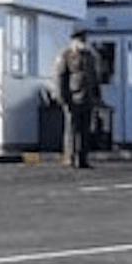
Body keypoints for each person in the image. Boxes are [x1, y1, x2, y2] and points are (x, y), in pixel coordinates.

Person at [52, 27, 105, 168]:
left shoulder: (89, 56)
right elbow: (60, 77)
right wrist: (62, 97)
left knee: (85, 130)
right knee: (71, 129)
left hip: (88, 98)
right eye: (81, 39)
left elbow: (95, 77)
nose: (83, 42)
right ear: (74, 40)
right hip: (72, 97)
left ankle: (82, 158)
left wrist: (98, 96)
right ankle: (69, 157)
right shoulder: (66, 55)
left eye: (84, 39)